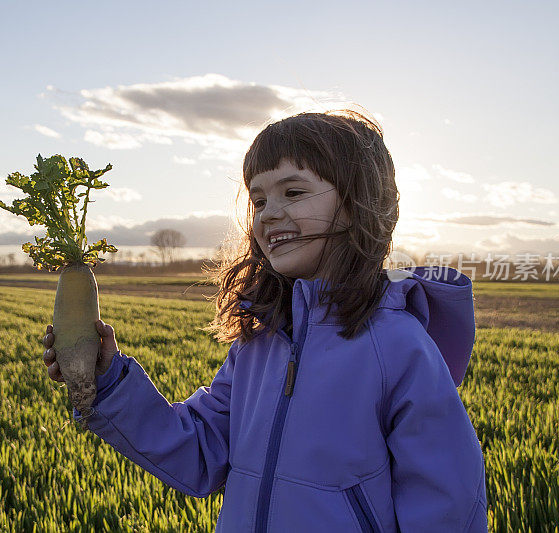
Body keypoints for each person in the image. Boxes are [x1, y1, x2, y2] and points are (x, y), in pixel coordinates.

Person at [42, 108, 488, 532]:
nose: (270, 212)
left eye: (293, 192)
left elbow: (446, 501)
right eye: (259, 200)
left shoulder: (398, 347)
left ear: (357, 205)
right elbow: (201, 451)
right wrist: (109, 381)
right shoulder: (258, 343)